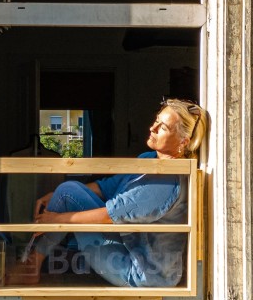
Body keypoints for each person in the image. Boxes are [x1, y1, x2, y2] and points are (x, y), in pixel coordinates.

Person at [12, 99, 206, 288]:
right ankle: (30, 264)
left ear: (183, 142)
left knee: (68, 195)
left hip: (145, 274)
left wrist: (57, 219)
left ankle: (29, 267)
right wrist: (57, 196)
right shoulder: (149, 159)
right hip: (127, 248)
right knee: (67, 191)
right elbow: (107, 186)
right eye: (156, 120)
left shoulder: (167, 181)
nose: (152, 128)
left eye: (163, 127)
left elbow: (111, 214)